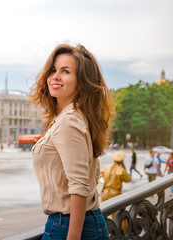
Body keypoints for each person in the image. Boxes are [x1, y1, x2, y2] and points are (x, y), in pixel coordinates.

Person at [30, 44, 113, 239]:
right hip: (86, 221)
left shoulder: (69, 121)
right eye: (53, 70)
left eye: (65, 71)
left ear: (82, 82)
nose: (55, 77)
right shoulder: (75, 116)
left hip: (68, 225)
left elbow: (79, 185)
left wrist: (73, 236)